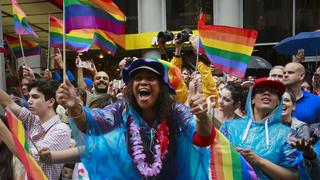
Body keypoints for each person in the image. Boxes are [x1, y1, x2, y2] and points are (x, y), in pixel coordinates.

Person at [56, 58, 215, 179]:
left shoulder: (175, 110)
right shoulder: (123, 109)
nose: (143, 82)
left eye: (151, 78)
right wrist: (74, 107)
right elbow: (90, 123)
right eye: (138, 78)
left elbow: (202, 138)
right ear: (131, 86)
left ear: (161, 87)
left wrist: (201, 117)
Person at [220, 77, 299, 179]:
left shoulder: (289, 135)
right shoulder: (229, 127)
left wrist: (260, 161)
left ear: (278, 102)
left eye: (273, 92)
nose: (266, 93)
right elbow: (214, 162)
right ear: (252, 99)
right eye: (261, 90)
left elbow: (294, 177)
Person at [0, 79, 71, 180]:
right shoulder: (33, 119)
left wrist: (2, 128)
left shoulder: (61, 130)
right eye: (29, 96)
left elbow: (29, 158)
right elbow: (7, 102)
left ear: (50, 102)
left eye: (35, 97)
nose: (29, 101)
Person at [283, 62, 320, 136]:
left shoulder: (317, 101)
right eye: (284, 73)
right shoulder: (276, 100)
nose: (285, 75)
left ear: (302, 76)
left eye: (290, 72)